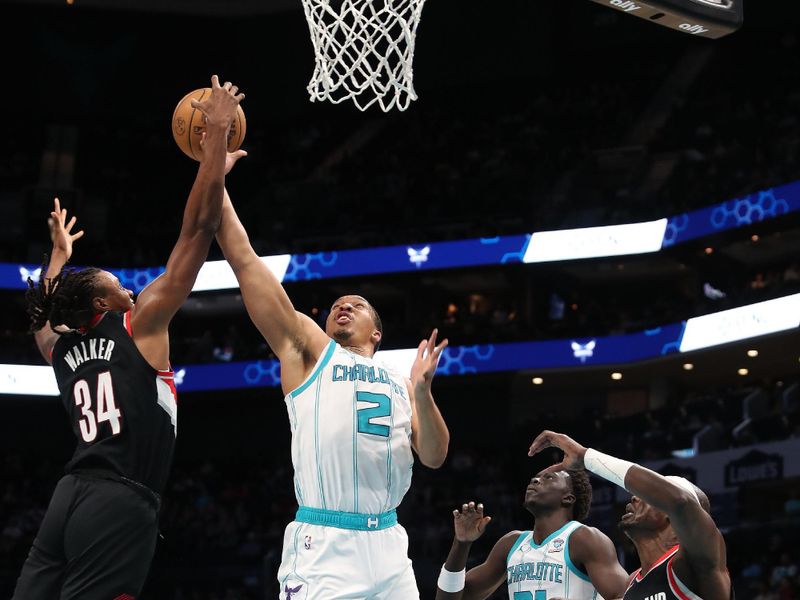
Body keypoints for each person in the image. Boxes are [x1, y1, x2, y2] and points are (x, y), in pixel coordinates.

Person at [13, 75, 244, 600]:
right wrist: (214, 147)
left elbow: (40, 322)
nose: (126, 284)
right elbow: (196, 231)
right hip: (119, 499)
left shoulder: (64, 350)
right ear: (102, 305)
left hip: (67, 497)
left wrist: (57, 261)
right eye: (115, 283)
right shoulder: (142, 323)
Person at [214, 185, 450, 599]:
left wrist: (424, 390)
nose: (343, 306)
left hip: (390, 544)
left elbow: (433, 456)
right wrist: (214, 172)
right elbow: (245, 260)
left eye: (356, 305)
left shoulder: (401, 380)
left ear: (376, 332)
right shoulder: (311, 353)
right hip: (325, 543)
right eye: (337, 305)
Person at [528, 430, 733, 600]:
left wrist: (586, 457)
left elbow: (679, 502)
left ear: (672, 516)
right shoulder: (630, 586)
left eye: (650, 497)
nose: (634, 498)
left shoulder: (699, 560)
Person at [435, 470, 629, 600]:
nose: (535, 480)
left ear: (568, 498)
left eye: (549, 478)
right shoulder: (511, 543)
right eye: (535, 478)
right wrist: (461, 545)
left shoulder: (584, 539)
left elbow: (627, 596)